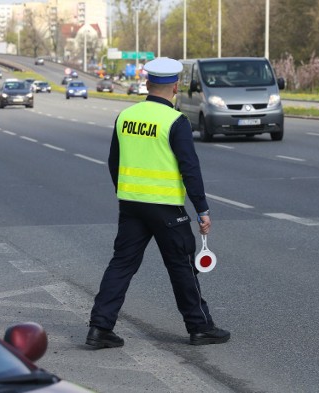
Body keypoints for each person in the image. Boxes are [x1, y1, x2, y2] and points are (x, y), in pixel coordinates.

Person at [86, 57, 230, 349]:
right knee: (181, 267)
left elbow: (114, 162)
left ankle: (100, 328)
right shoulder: (175, 122)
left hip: (131, 205)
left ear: (148, 84)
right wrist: (202, 209)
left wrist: (124, 192)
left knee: (122, 264)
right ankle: (199, 327)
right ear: (175, 87)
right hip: (166, 209)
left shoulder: (125, 117)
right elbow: (189, 168)